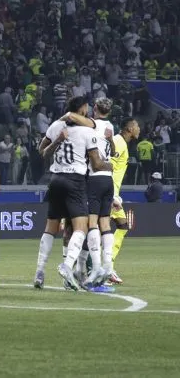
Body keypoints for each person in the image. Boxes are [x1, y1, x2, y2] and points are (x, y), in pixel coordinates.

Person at [34, 97, 110, 291]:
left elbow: (42, 152)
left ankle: (39, 272)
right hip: (75, 181)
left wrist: (58, 140)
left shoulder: (55, 126)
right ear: (83, 109)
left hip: (55, 179)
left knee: (51, 227)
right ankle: (68, 266)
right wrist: (110, 164)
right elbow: (96, 164)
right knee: (81, 227)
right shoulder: (87, 131)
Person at [62, 99, 116, 287]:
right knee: (105, 223)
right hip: (109, 178)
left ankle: (97, 268)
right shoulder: (110, 126)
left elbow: (71, 116)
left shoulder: (94, 124)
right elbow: (112, 151)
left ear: (95, 109)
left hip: (94, 178)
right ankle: (107, 266)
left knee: (91, 223)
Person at [108, 118, 140, 284]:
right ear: (129, 128)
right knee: (101, 230)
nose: (139, 129)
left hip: (110, 194)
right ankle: (102, 268)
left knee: (122, 225)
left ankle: (107, 266)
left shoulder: (121, 143)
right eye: (136, 126)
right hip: (107, 194)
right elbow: (108, 167)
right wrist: (112, 195)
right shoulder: (118, 142)